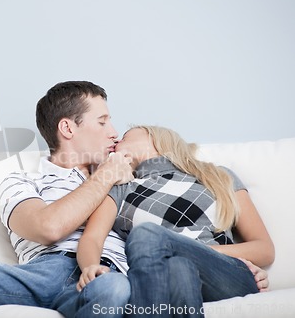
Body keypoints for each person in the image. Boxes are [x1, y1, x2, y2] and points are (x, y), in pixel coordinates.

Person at [0, 82, 269, 318]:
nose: (114, 134)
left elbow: (173, 234)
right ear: (68, 128)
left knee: (112, 289)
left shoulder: (133, 183)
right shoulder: (22, 180)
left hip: (112, 277)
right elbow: (47, 227)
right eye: (103, 122)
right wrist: (107, 175)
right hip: (45, 272)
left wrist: (221, 262)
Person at [76, 125, 275, 317]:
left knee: (146, 233)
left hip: (224, 274)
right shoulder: (121, 188)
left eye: (126, 136)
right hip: (165, 279)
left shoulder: (217, 175)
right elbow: (92, 238)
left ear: (155, 138)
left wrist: (192, 249)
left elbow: (264, 249)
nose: (117, 139)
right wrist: (90, 268)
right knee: (178, 269)